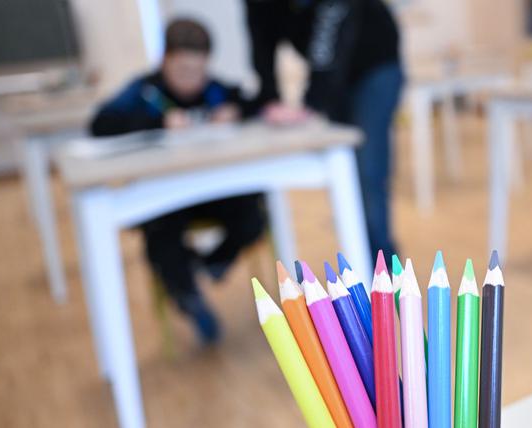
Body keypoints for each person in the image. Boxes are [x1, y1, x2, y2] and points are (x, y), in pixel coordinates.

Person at [89, 19, 265, 344]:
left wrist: (235, 111)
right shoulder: (145, 92)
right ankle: (188, 296)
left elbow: (254, 102)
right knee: (160, 235)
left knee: (256, 209)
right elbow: (101, 124)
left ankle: (211, 262)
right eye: (182, 70)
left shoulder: (214, 90)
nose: (190, 80)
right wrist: (157, 121)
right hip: (163, 198)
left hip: (213, 192)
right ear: (165, 60)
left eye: (197, 71)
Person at [244, 0, 403, 261]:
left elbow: (330, 28)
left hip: (375, 63)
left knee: (368, 172)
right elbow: (261, 39)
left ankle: (383, 268)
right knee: (347, 174)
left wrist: (313, 101)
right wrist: (269, 99)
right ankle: (361, 260)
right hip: (336, 77)